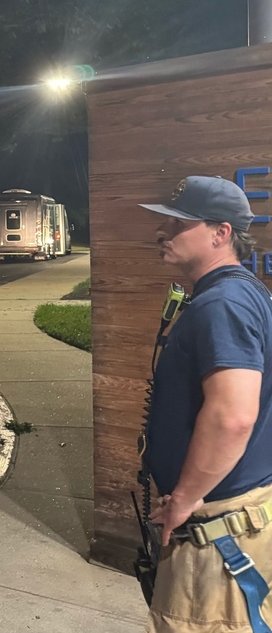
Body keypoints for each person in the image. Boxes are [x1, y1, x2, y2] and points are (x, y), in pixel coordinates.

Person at [139, 175, 272, 633]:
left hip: (218, 534)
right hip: (229, 519)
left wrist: (185, 500)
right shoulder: (241, 293)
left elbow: (232, 417)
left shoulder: (223, 304)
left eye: (179, 223)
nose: (163, 232)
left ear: (221, 233)